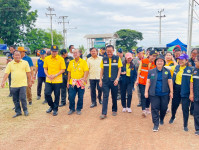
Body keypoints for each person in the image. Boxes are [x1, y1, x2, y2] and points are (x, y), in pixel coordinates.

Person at [145, 55, 173, 132]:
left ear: (163, 62)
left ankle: (161, 118)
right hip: (154, 93)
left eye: (161, 61)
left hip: (164, 93)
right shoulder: (151, 71)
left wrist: (171, 92)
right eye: (158, 61)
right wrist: (146, 91)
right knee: (154, 108)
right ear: (155, 62)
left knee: (164, 108)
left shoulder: (167, 71)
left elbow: (170, 81)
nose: (159, 62)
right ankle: (156, 124)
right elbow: (148, 82)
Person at [1, 51, 32, 118]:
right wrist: (3, 81)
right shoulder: (10, 64)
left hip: (23, 84)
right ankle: (18, 112)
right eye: (16, 55)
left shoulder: (25, 63)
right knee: (15, 99)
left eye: (19, 55)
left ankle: (25, 110)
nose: (17, 56)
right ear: (13, 56)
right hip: (13, 85)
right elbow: (7, 73)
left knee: (23, 98)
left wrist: (30, 81)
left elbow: (28, 73)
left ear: (20, 56)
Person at [169, 54, 192, 132]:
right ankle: (173, 117)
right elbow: (166, 67)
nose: (180, 61)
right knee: (174, 105)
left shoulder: (190, 69)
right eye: (179, 59)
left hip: (186, 90)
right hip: (177, 89)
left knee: (185, 108)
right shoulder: (176, 67)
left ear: (186, 60)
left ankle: (185, 125)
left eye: (182, 59)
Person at [99, 45, 123, 119]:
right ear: (106, 51)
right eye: (107, 51)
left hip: (114, 81)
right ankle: (104, 113)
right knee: (105, 96)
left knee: (114, 96)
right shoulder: (104, 59)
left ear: (113, 51)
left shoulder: (117, 58)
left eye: (110, 51)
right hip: (105, 81)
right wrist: (100, 80)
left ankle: (114, 110)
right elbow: (102, 70)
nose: (109, 53)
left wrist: (117, 79)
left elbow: (119, 69)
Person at [43, 45, 66, 116]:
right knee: (47, 94)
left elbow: (63, 69)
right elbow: (45, 68)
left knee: (57, 95)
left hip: (57, 80)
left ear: (57, 52)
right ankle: (52, 106)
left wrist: (55, 75)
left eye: (55, 51)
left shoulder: (61, 59)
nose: (54, 52)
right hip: (49, 79)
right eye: (53, 51)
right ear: (50, 51)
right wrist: (48, 75)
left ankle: (55, 109)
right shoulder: (47, 58)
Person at [135, 50, 157, 117]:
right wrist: (137, 80)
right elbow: (139, 71)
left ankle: (147, 108)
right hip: (142, 81)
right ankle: (143, 110)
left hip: (151, 83)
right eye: (153, 56)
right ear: (149, 55)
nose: (154, 57)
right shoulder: (143, 61)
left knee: (149, 96)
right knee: (143, 95)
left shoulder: (155, 63)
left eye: (155, 56)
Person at [67, 49, 89, 115]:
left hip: (80, 82)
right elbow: (69, 72)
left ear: (80, 54)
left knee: (80, 96)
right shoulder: (71, 62)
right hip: (72, 82)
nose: (75, 54)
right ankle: (72, 108)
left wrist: (84, 78)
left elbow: (86, 71)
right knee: (71, 96)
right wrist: (68, 81)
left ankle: (79, 109)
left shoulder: (83, 62)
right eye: (73, 53)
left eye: (76, 53)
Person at [190, 54, 199, 135]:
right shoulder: (194, 71)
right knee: (196, 113)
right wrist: (191, 94)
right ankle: (197, 129)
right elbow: (191, 82)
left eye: (196, 61)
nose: (195, 62)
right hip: (196, 96)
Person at [188, 49, 199, 116]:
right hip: (195, 91)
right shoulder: (189, 61)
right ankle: (192, 111)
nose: (193, 54)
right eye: (192, 52)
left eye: (195, 53)